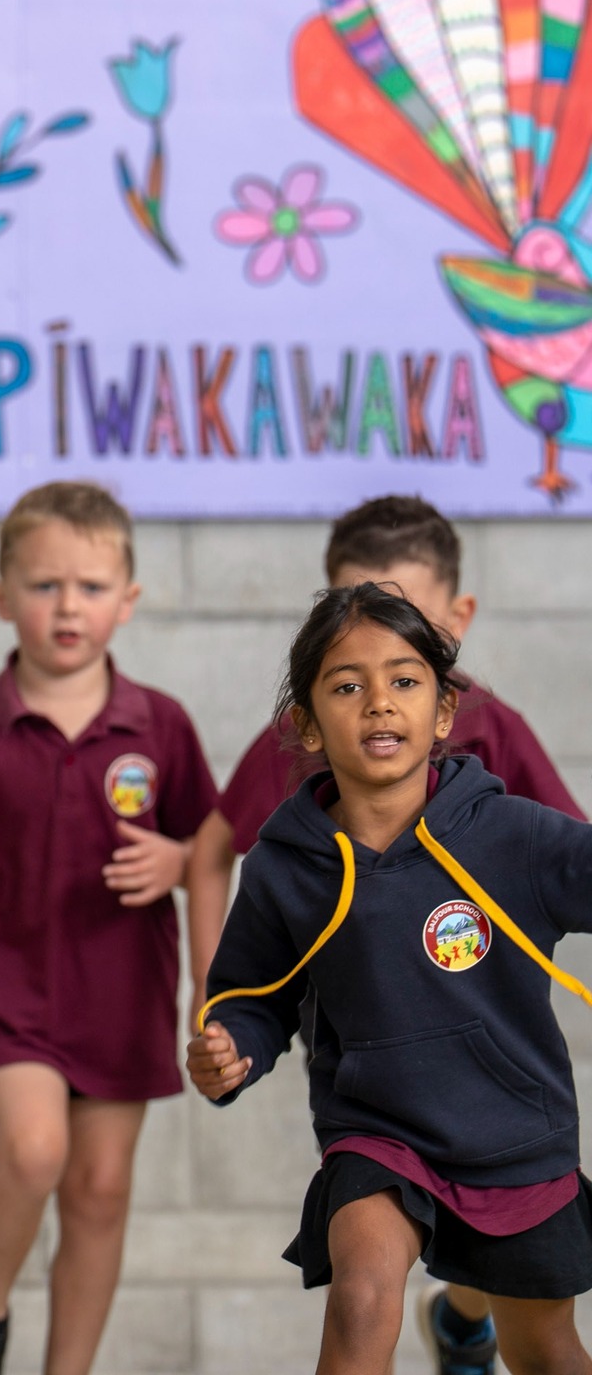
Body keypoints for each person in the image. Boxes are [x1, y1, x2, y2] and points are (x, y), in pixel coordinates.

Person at [183, 494, 583, 1375]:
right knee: (362, 1298)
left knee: (546, 1351)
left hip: (517, 1133)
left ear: (445, 712)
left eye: (405, 681)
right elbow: (253, 998)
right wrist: (231, 1047)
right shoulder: (287, 865)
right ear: (306, 725)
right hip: (377, 1133)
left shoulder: (511, 833)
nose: (379, 703)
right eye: (347, 685)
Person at [0, 481, 218, 1375]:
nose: (67, 606)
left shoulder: (161, 725)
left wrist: (177, 860)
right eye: (44, 586)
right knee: (35, 1150)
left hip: (122, 988)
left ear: (128, 600)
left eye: (88, 586)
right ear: (2, 598)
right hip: (4, 981)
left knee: (101, 1188)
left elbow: (211, 844)